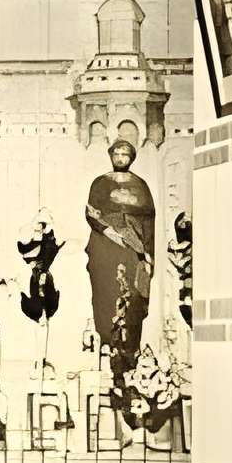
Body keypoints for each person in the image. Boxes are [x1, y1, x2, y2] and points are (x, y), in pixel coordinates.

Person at [85, 133, 155, 395]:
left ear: (131, 159)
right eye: (117, 154)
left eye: (126, 155)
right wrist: (110, 232)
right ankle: (109, 345)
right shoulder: (100, 183)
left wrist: (148, 255)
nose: (121, 159)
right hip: (107, 247)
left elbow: (149, 223)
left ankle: (130, 357)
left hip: (134, 248)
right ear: (111, 156)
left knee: (134, 299)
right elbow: (91, 214)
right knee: (109, 295)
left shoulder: (141, 185)